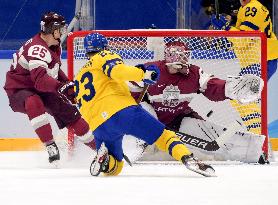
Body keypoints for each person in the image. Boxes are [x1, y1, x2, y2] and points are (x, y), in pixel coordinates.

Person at [72, 32, 216, 177]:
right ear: (104, 47)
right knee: (164, 137)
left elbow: (80, 105)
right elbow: (117, 71)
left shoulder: (79, 76)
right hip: (120, 112)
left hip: (98, 126)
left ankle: (105, 159)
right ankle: (188, 158)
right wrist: (144, 74)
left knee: (115, 168)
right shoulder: (103, 56)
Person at [129, 40, 266, 163]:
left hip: (178, 118)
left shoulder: (194, 73)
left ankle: (252, 151)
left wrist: (229, 88)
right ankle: (122, 150)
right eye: (178, 55)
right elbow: (126, 91)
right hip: (149, 117)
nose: (183, 58)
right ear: (168, 55)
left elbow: (212, 85)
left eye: (185, 55)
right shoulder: (152, 69)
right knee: (140, 111)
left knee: (208, 131)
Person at [3, 12, 96, 165]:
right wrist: (61, 86)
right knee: (34, 102)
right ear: (52, 29)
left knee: (70, 113)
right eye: (60, 28)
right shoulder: (37, 49)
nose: (63, 31)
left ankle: (98, 148)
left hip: (40, 87)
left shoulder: (53, 44)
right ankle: (50, 145)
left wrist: (67, 85)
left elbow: (53, 70)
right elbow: (40, 81)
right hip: (19, 89)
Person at [211, 0, 278, 80]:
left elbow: (244, 39)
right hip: (257, 60)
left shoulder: (252, 7)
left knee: (241, 91)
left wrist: (226, 28)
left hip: (261, 61)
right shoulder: (245, 8)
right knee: (242, 90)